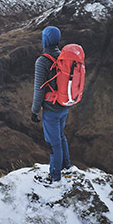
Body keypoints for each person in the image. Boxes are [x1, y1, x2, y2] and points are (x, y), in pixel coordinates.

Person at [31, 25, 71, 182]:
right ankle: (67, 167)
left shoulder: (42, 62)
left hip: (51, 109)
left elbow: (39, 90)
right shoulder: (64, 57)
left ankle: (55, 177)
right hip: (64, 105)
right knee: (61, 137)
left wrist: (34, 111)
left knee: (54, 144)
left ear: (45, 40)